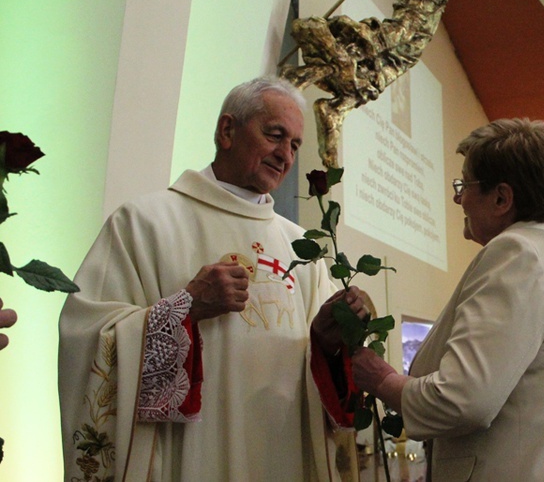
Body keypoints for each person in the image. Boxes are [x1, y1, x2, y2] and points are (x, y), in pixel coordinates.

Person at [57, 77, 368, 481]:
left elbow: (323, 379)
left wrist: (328, 340)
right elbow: (87, 338)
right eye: (275, 135)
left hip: (282, 455)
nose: (285, 155)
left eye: (294, 145)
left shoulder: (301, 249)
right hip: (188, 460)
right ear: (227, 131)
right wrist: (185, 308)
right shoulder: (145, 223)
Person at [350, 118, 544, 480]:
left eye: (465, 185)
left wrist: (382, 380)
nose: (457, 197)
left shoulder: (517, 254)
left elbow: (464, 400)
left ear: (501, 198)